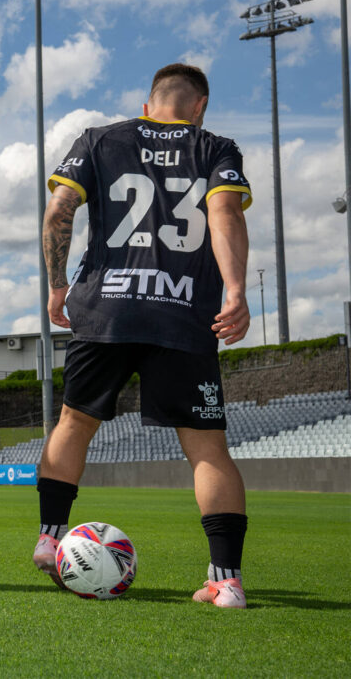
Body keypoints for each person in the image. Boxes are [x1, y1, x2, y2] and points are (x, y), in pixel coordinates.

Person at [35, 63, 253, 608]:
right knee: (207, 449)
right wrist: (234, 291)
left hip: (106, 309)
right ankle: (226, 581)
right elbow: (225, 211)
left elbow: (59, 211)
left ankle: (50, 540)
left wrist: (58, 285)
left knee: (74, 422)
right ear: (200, 106)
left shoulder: (99, 139)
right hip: (183, 312)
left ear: (147, 103)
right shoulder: (216, 147)